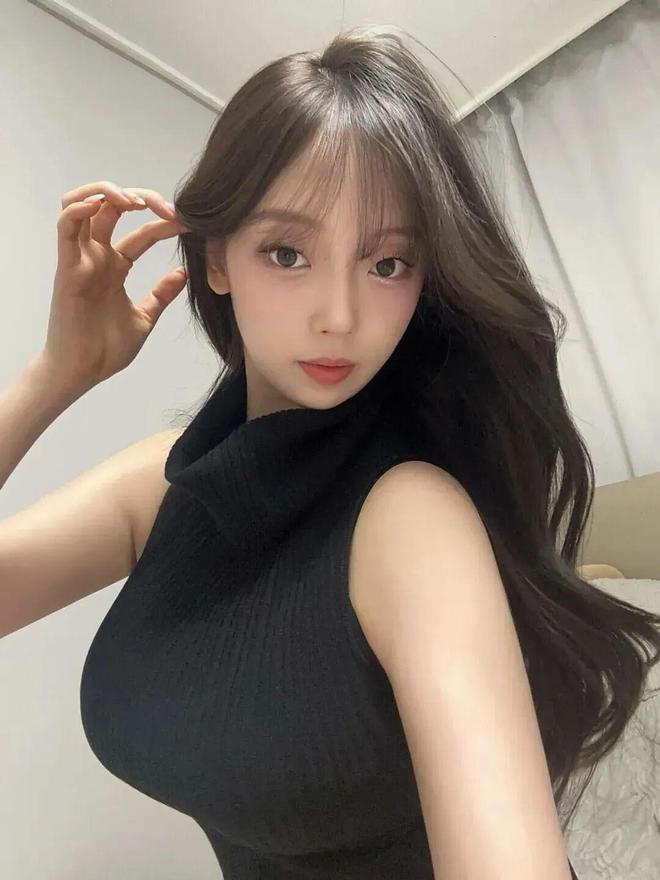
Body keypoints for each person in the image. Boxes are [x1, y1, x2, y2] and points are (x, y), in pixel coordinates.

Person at [2, 25, 658, 880]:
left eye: (387, 263)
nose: (339, 316)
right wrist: (54, 376)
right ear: (216, 259)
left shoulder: (410, 514)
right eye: (288, 253)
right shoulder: (162, 485)